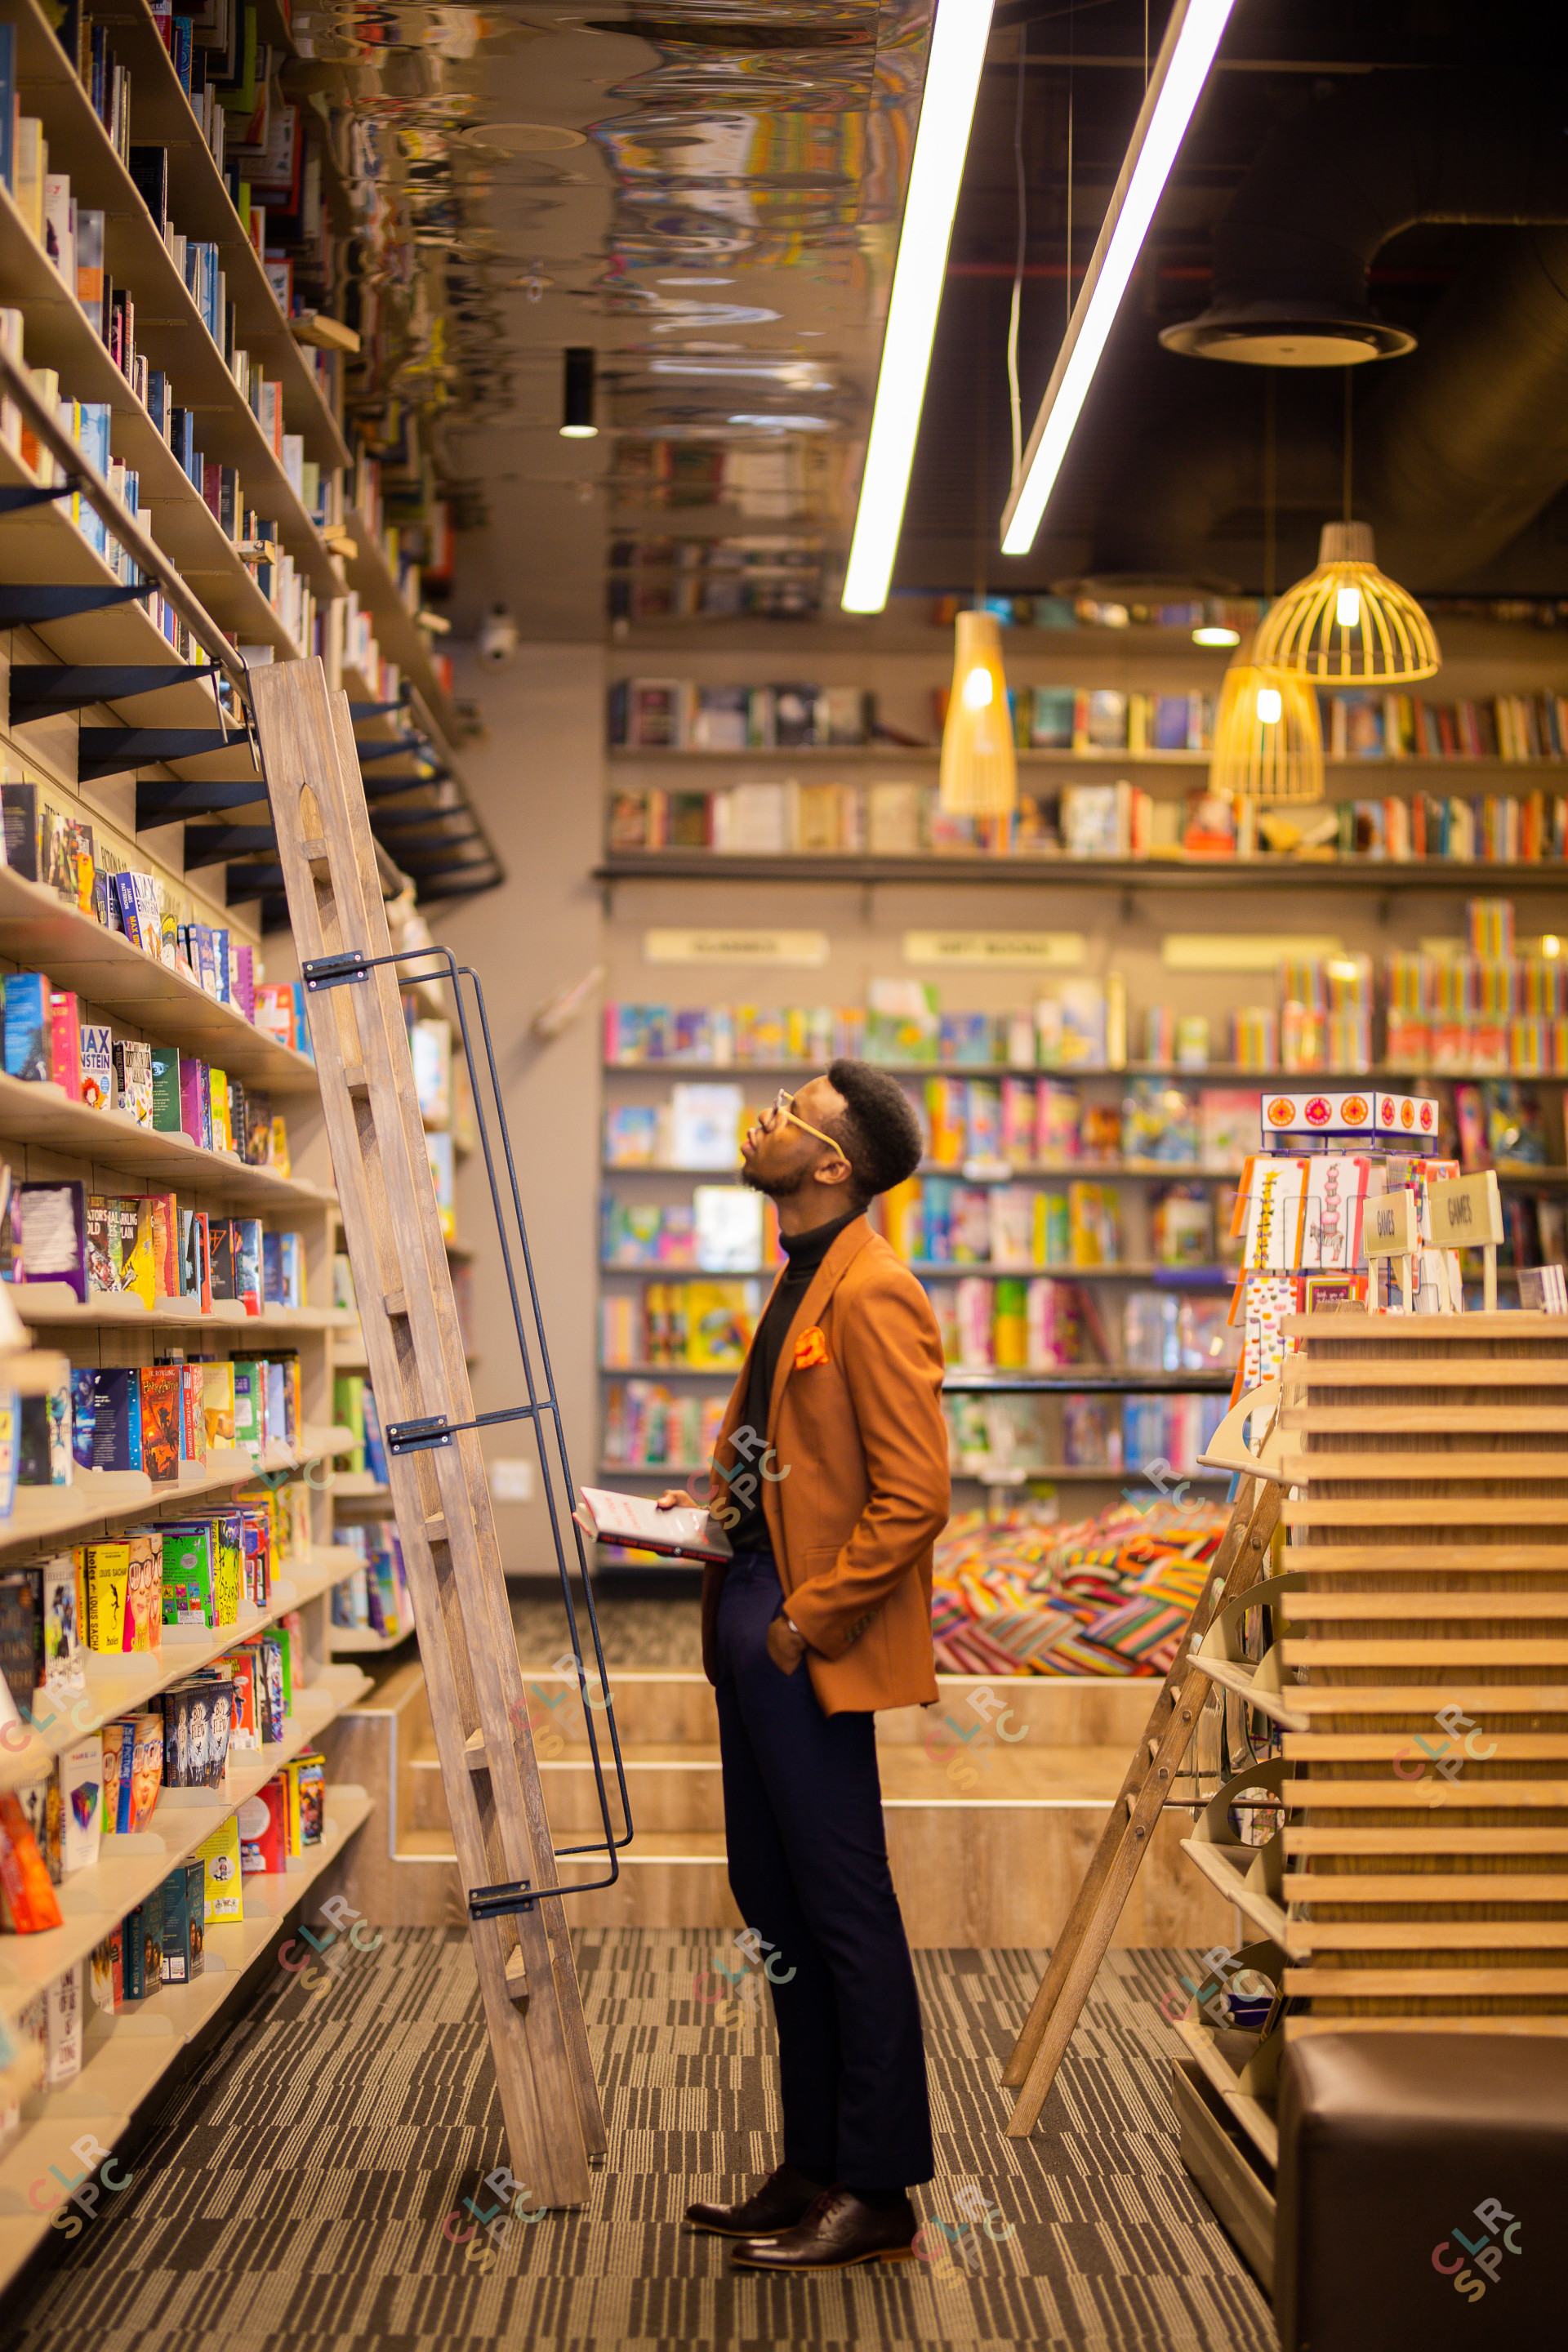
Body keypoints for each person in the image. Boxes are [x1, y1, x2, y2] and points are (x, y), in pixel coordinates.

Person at [661, 1060, 948, 2272]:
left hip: (799, 1641)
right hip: (752, 1613)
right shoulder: (801, 1276)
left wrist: (805, 1623)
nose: (763, 1121)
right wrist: (710, 1510)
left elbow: (915, 1494)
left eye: (791, 1112)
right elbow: (793, 1456)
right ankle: (815, 2163)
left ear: (833, 1163)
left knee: (842, 1912)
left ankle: (878, 2190)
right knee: (774, 1907)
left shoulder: (877, 1291)